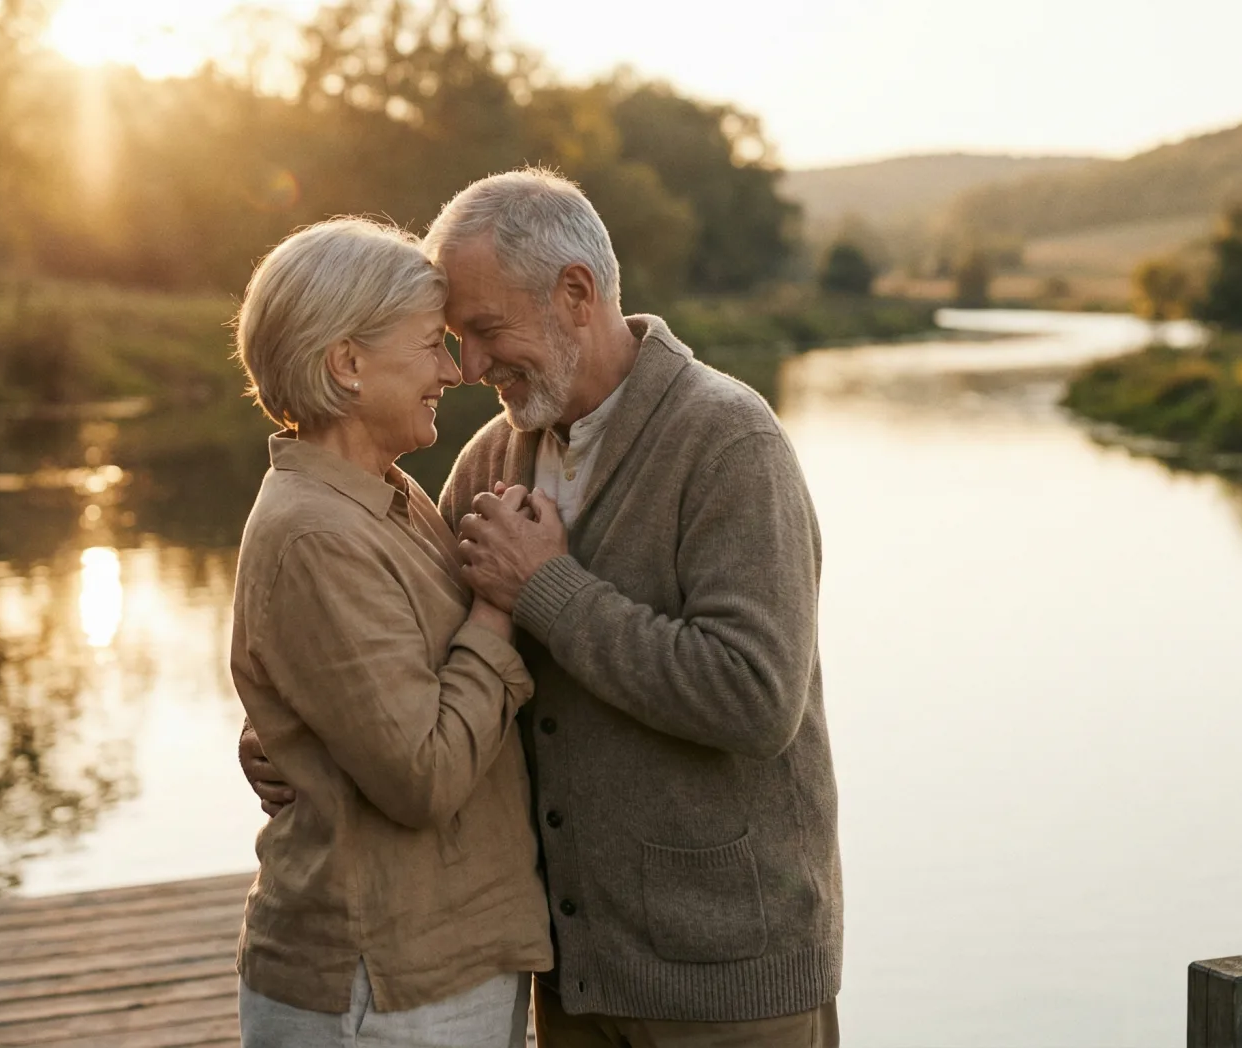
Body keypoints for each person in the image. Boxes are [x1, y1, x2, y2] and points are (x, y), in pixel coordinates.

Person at [244, 169, 842, 1047]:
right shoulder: (493, 457)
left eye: (486, 331)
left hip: (728, 987)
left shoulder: (730, 441)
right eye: (452, 338)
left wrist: (549, 592)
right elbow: (429, 658)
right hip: (570, 977)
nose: (471, 367)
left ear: (575, 294)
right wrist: (305, 722)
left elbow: (756, 698)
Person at [226, 216, 550, 1047]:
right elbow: (423, 776)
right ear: (347, 363)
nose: (454, 370)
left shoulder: (390, 499)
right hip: (384, 987)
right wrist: (500, 603)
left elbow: (366, 697)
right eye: (430, 346)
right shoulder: (317, 533)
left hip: (438, 964)